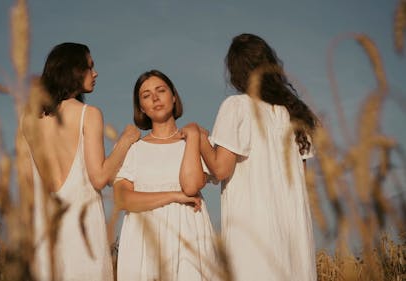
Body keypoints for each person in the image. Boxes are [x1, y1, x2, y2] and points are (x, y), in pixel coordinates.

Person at [199, 33, 318, 280]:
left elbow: (221, 169)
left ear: (235, 72)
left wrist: (199, 138)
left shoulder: (237, 107)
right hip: (293, 234)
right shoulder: (296, 114)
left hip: (253, 235)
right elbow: (303, 181)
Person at [19, 42, 140, 281]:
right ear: (73, 70)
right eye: (89, 67)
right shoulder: (88, 113)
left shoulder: (27, 119)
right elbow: (100, 177)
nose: (95, 73)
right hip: (83, 234)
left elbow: (26, 190)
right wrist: (126, 140)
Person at [113, 70, 218, 280]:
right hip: (144, 240)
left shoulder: (196, 140)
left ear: (173, 97)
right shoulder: (133, 148)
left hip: (189, 236)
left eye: (161, 90)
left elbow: (191, 186)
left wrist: (193, 138)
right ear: (141, 107)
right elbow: (122, 199)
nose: (155, 98)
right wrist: (174, 196)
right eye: (146, 95)